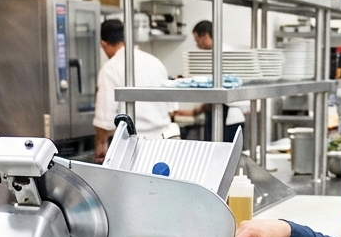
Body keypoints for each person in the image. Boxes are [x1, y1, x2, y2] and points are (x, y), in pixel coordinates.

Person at [93, 19, 177, 162]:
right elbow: (172, 109)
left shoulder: (110, 68)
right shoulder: (155, 62)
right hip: (164, 145)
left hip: (133, 148)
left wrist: (101, 144)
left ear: (104, 44)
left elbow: (105, 120)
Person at [191, 19, 247, 143]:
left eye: (197, 40)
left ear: (205, 35)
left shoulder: (223, 53)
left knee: (223, 155)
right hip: (220, 111)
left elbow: (223, 86)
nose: (197, 45)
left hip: (227, 113)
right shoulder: (214, 53)